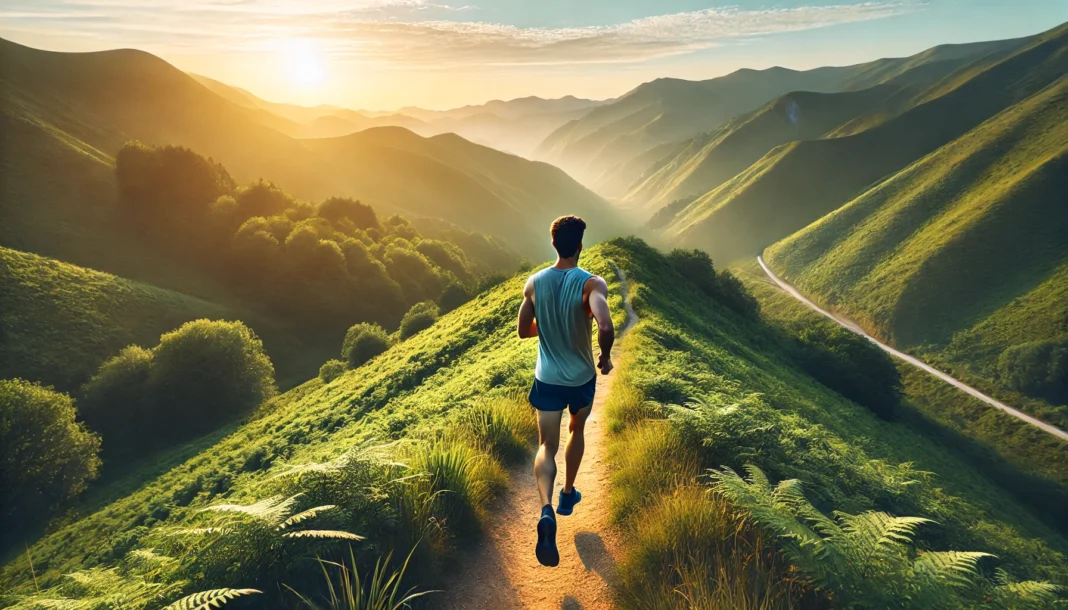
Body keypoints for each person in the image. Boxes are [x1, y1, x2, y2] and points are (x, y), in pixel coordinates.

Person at [516, 215, 614, 567]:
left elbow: (523, 330)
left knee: (546, 445)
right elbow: (604, 322)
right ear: (580, 245)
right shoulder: (591, 284)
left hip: (547, 378)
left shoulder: (534, 282)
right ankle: (568, 494)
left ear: (553, 243)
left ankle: (545, 510)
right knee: (576, 429)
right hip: (580, 378)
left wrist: (550, 316)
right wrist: (604, 357)